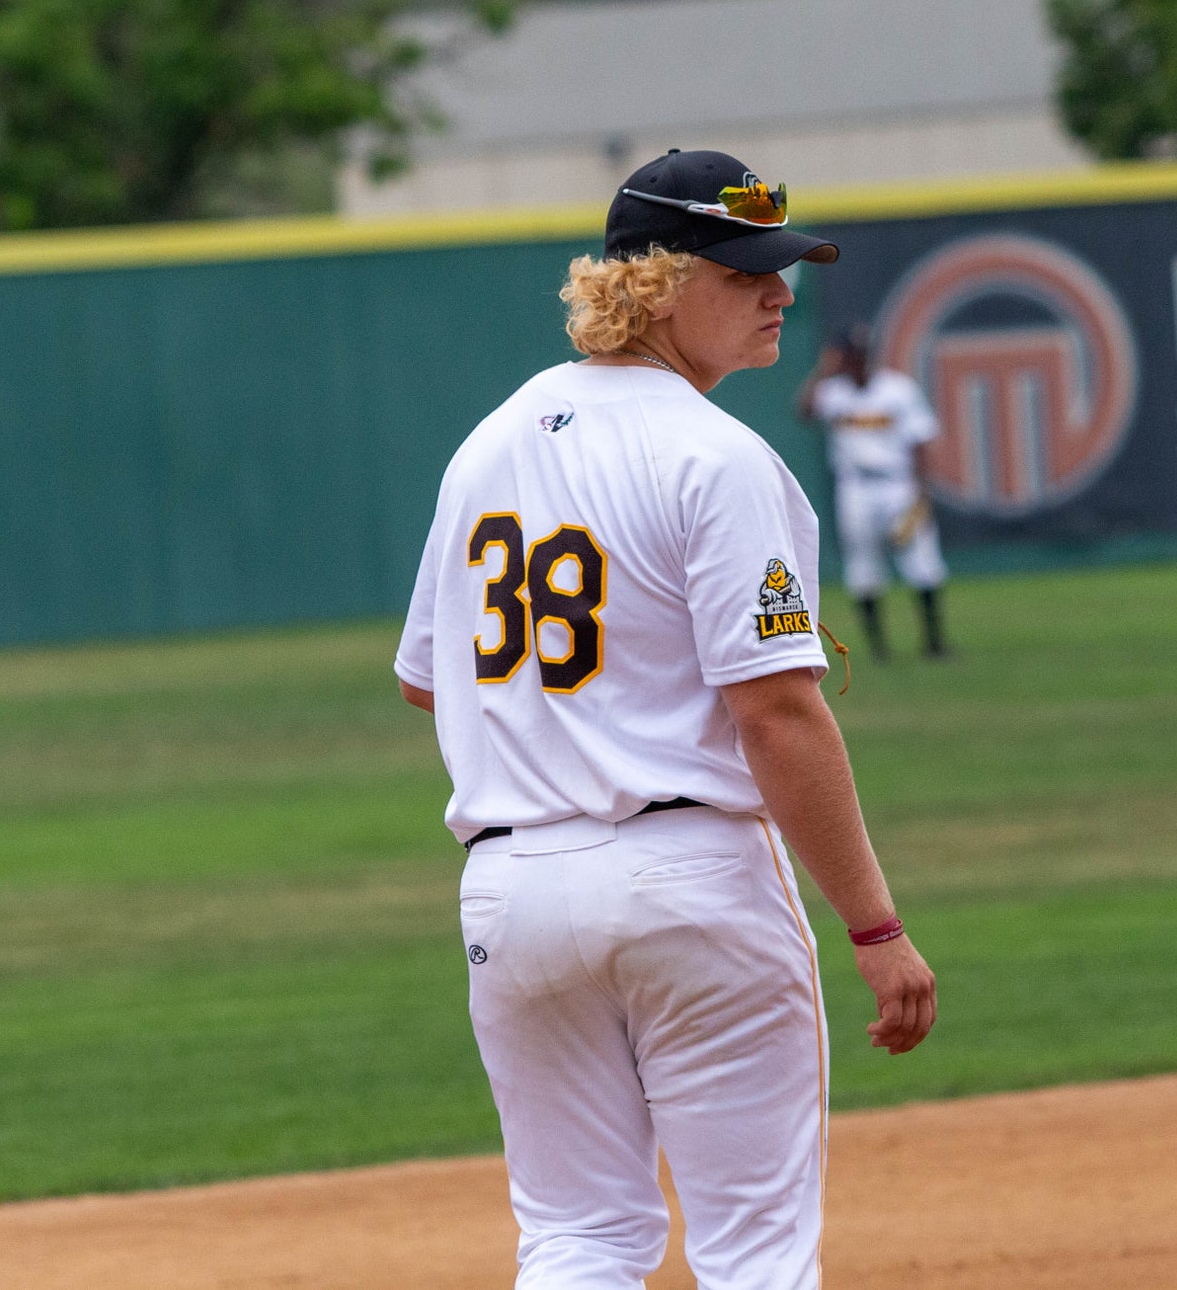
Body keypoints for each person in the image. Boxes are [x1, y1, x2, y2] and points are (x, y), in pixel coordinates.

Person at [395, 149, 937, 1289]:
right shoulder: (715, 457)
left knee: (578, 1240)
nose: (779, 292)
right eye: (745, 273)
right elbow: (780, 716)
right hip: (689, 882)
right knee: (754, 1254)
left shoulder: (489, 441)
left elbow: (427, 677)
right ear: (651, 281)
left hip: (512, 892)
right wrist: (876, 929)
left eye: (779, 269)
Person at [796, 325, 951, 659]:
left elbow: (920, 442)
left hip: (898, 484)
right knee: (863, 565)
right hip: (855, 487)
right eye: (851, 355)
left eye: (861, 355)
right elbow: (804, 411)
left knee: (922, 561)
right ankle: (878, 648)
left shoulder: (897, 389)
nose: (857, 361)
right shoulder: (833, 391)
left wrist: (922, 492)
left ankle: (934, 643)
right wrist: (823, 372)